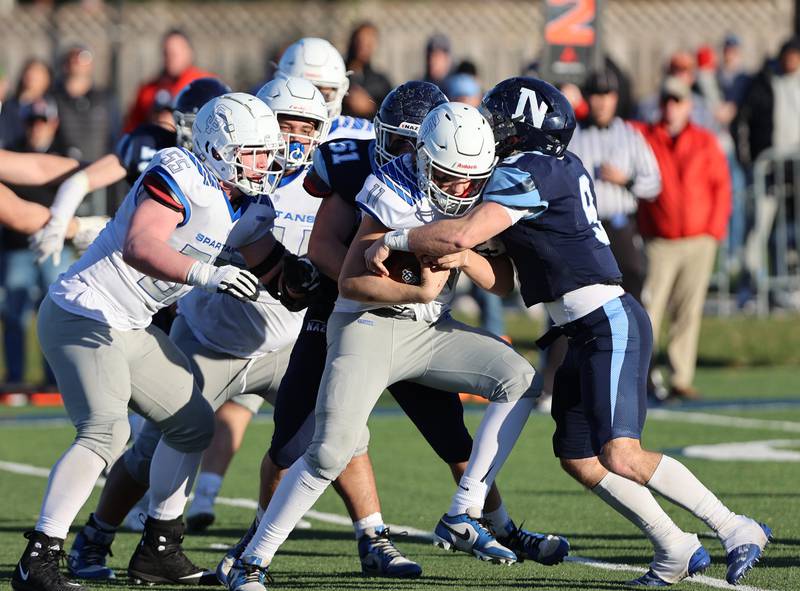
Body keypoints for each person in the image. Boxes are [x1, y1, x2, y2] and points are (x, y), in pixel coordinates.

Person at [366, 76, 770, 587]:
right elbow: (502, 280)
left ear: (518, 131)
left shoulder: (531, 169)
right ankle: (674, 546)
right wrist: (465, 257)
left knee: (621, 452)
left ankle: (736, 528)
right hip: (577, 328)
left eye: (498, 123)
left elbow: (465, 231)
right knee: (580, 458)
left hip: (606, 320)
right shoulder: (543, 169)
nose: (491, 131)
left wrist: (395, 237)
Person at [217, 82, 568, 584]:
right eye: (449, 176)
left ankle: (466, 514)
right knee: (328, 450)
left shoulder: (481, 186)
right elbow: (354, 280)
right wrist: (418, 291)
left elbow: (503, 283)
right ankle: (251, 560)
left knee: (518, 378)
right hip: (368, 326)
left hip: (430, 332)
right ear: (423, 157)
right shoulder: (390, 182)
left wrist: (466, 253)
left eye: (471, 182)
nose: (460, 192)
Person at [11, 92, 285, 591]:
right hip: (83, 312)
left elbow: (276, 268)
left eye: (267, 151)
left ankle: (160, 548)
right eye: (252, 151)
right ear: (218, 147)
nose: (264, 163)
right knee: (106, 433)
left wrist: (309, 277)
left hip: (129, 326)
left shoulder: (246, 202)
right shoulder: (181, 174)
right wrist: (206, 274)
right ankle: (39, 558)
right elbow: (140, 245)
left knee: (192, 423)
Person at [30, 77, 231, 269]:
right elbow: (82, 180)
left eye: (201, 125)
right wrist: (60, 221)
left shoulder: (235, 169)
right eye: (189, 124)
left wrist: (98, 231)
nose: (192, 134)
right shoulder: (152, 143)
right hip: (142, 256)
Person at [633, 76, 732, 401]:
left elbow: (721, 186)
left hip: (697, 240)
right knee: (650, 309)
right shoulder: (646, 136)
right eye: (667, 101)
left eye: (677, 101)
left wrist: (713, 232)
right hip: (660, 240)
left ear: (689, 105)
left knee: (687, 312)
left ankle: (681, 376)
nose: (671, 107)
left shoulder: (704, 141)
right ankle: (641, 376)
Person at [571, 69, 662, 302]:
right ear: (587, 98)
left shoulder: (630, 135)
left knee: (630, 284)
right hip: (584, 228)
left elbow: (654, 183)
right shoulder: (574, 135)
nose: (601, 102)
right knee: (579, 290)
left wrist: (626, 180)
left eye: (607, 95)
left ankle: (633, 336)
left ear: (615, 98)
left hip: (620, 225)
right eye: (596, 95)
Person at [2, 98, 73, 389]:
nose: (36, 128)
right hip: (19, 246)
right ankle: (16, 378)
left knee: (59, 312)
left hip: (56, 245)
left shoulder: (65, 152)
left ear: (53, 123)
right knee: (14, 314)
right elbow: (17, 215)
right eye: (31, 121)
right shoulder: (13, 151)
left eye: (41, 121)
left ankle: (56, 379)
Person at [123, 29, 214, 132]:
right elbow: (130, 128)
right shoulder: (148, 90)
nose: (170, 58)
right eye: (166, 53)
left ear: (189, 53)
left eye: (175, 54)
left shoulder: (206, 85)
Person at [53, 45, 119, 162]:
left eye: (83, 57)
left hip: (98, 169)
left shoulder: (106, 99)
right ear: (65, 65)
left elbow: (115, 136)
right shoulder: (53, 99)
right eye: (73, 58)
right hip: (63, 168)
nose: (77, 61)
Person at [342, 23, 392, 119]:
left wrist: (370, 107)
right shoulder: (337, 74)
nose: (363, 46)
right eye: (360, 41)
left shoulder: (381, 82)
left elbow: (390, 115)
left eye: (368, 43)